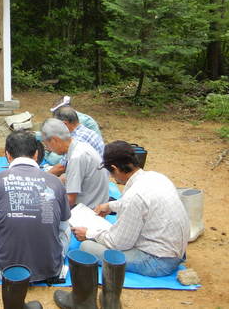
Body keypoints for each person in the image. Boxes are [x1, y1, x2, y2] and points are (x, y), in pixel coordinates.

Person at [73, 141, 190, 277]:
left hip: (158, 262)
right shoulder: (156, 177)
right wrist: (110, 206)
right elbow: (141, 204)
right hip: (174, 251)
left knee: (86, 247)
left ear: (114, 168)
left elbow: (118, 243)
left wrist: (88, 234)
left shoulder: (134, 197)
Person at [0, 131, 71, 282]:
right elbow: (62, 226)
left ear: (8, 155)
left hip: (5, 271)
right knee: (67, 226)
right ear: (36, 154)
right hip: (50, 268)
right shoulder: (55, 182)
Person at [41, 118, 109, 209]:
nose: (48, 149)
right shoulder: (80, 145)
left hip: (89, 210)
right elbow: (68, 177)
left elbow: (70, 200)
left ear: (54, 141)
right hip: (97, 200)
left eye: (47, 145)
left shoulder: (76, 157)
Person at [48, 106, 105, 176]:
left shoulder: (77, 139)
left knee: (61, 179)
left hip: (94, 177)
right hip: (99, 172)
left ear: (65, 124)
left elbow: (62, 167)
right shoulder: (85, 131)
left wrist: (43, 177)